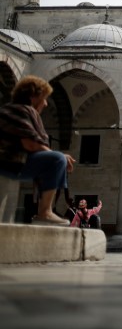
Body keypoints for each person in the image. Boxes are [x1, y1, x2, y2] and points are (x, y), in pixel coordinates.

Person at [0, 75, 76, 226]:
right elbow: (31, 144)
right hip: (11, 163)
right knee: (57, 159)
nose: (46, 103)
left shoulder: (8, 109)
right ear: (33, 96)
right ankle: (45, 212)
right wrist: (58, 157)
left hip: (10, 162)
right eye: (44, 97)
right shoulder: (22, 110)